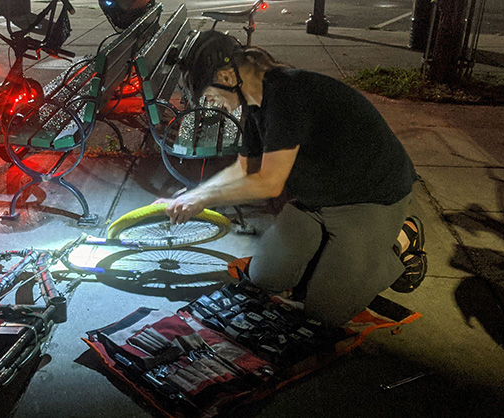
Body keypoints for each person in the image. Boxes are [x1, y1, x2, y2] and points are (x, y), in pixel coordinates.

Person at [157, 30, 427, 326]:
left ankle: (401, 238)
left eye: (209, 96)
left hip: (367, 200)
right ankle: (332, 253)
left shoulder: (286, 96)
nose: (213, 103)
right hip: (314, 200)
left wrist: (202, 198)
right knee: (264, 278)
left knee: (325, 313)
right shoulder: (254, 101)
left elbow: (269, 183)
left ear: (225, 77)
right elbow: (243, 170)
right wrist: (192, 195)